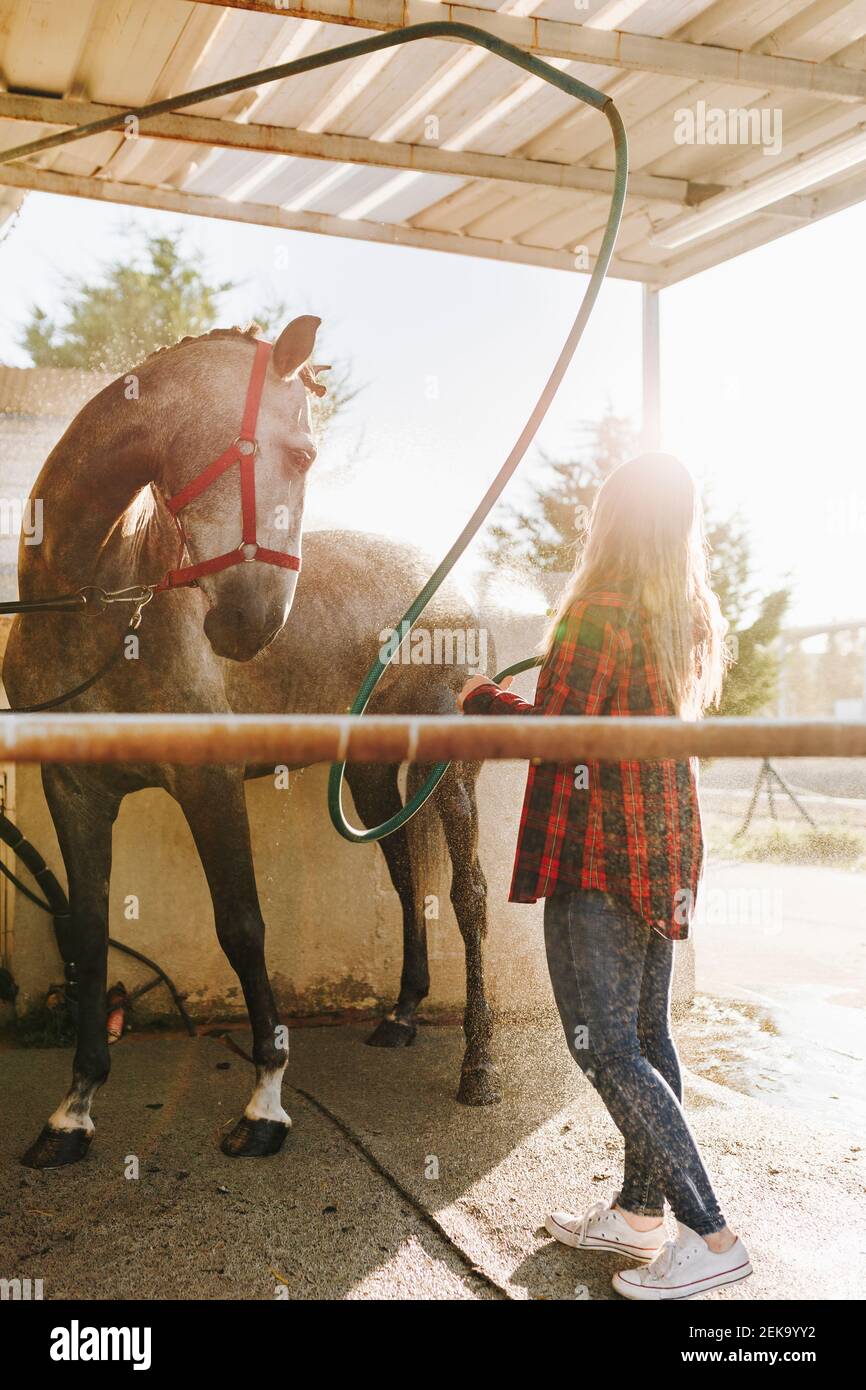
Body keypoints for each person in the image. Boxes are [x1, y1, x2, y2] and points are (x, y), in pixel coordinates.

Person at [458, 453, 752, 1301]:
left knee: (606, 1046)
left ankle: (712, 1232)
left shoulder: (598, 608)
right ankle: (637, 1214)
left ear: (609, 521)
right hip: (663, 839)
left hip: (595, 842)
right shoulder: (684, 613)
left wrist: (481, 699)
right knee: (648, 1037)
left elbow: (555, 732)